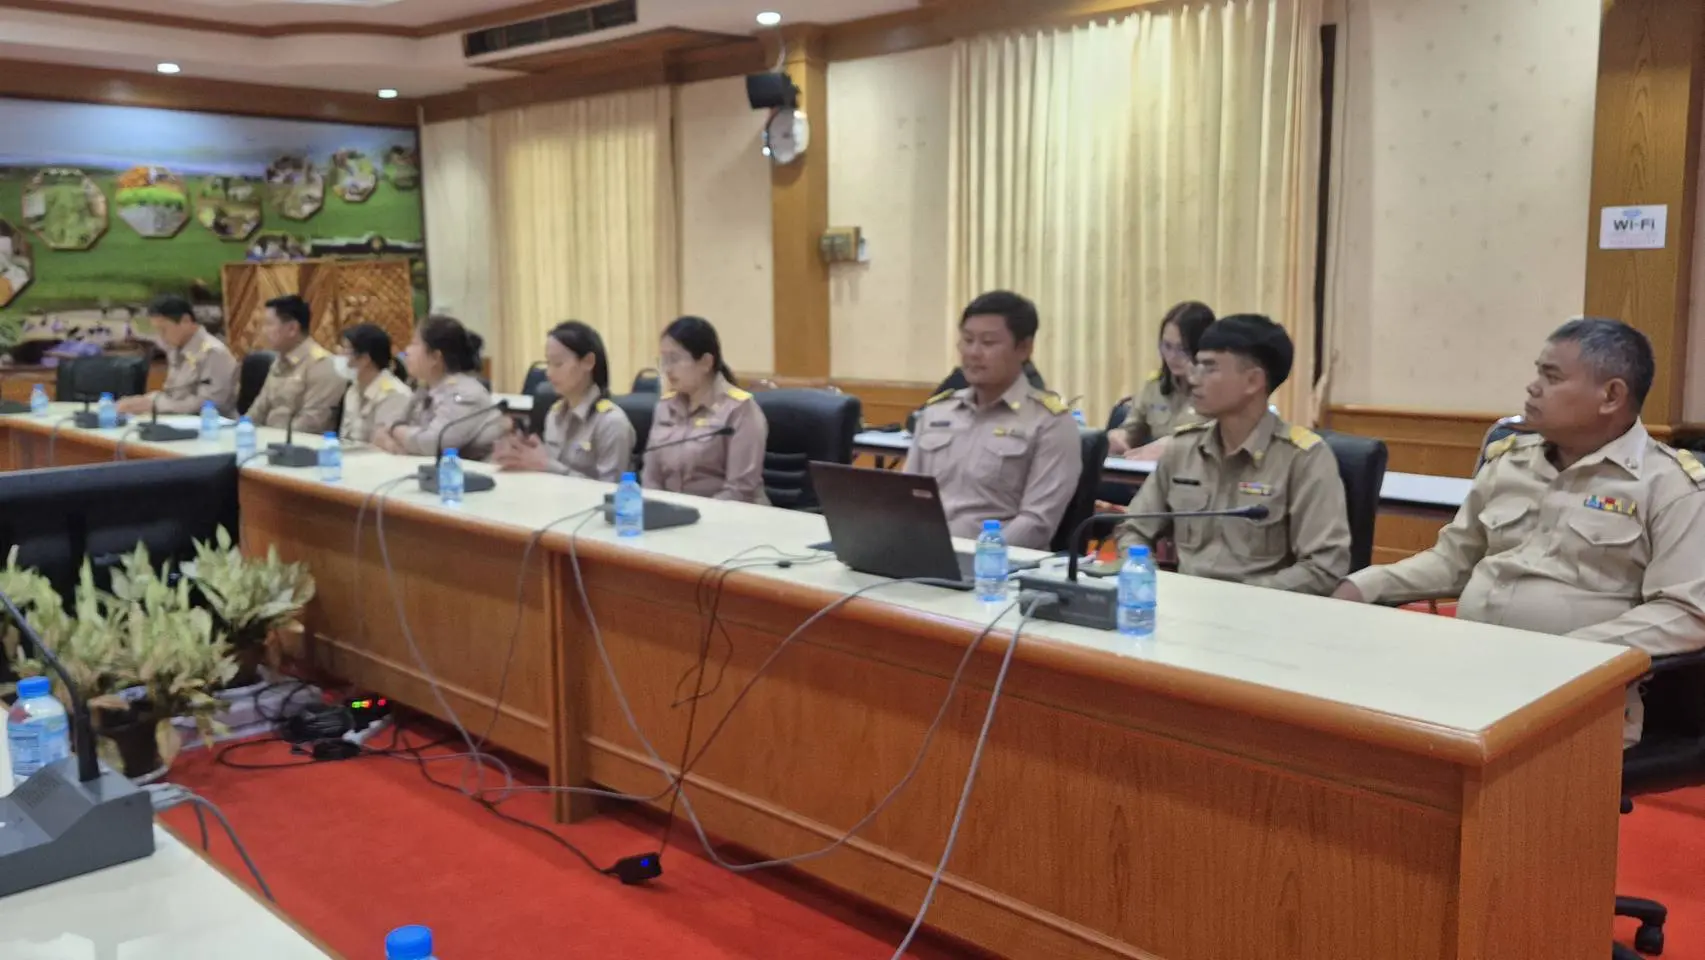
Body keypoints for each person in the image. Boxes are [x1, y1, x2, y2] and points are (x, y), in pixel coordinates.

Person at [1333, 317, 1705, 745]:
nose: (1532, 387)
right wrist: (1364, 585)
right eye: (1537, 373)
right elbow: (1453, 560)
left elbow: (1686, 612)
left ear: (1611, 396)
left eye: (1552, 377)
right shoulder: (1509, 461)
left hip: (1573, 698)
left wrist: (1573, 653)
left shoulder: (1669, 485)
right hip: (1464, 672)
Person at [1117, 314, 1349, 595]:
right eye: (1196, 365)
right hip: (1182, 607)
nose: (1192, 378)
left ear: (1253, 381)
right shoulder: (1182, 449)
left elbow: (1324, 566)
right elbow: (1133, 530)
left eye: (1209, 368)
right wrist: (1150, 583)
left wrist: (1240, 599)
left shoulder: (1303, 459)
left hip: (1264, 611)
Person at [905, 291, 1082, 551]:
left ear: (1024, 348)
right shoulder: (937, 412)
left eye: (988, 343)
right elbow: (908, 497)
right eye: (967, 340)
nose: (973, 353)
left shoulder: (1050, 423)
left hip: (997, 565)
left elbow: (1036, 522)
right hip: (923, 555)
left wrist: (981, 558)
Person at [643, 316, 768, 503]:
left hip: (727, 515)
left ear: (706, 362)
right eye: (664, 360)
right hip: (670, 514)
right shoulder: (664, 407)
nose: (667, 369)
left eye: (674, 359)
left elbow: (740, 490)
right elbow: (651, 478)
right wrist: (656, 509)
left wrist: (692, 515)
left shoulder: (740, 410)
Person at [492, 321, 636, 481]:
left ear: (588, 362)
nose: (549, 373)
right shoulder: (554, 414)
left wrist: (547, 465)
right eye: (548, 363)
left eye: (558, 364)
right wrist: (524, 459)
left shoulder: (611, 423)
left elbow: (611, 490)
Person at [373, 315, 507, 461]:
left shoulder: (466, 393)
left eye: (414, 344)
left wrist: (395, 430)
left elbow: (433, 443)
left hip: (476, 472)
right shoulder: (424, 389)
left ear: (435, 357)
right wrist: (394, 441)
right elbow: (383, 430)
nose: (407, 351)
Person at [1107, 300, 1215, 459]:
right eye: (1167, 346)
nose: (1172, 357)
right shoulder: (1155, 386)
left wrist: (1175, 447)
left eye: (1182, 349)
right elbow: (1132, 429)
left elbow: (1221, 439)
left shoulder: (1220, 392)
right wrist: (1119, 437)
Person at [116, 294, 238, 417]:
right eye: (157, 330)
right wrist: (143, 401)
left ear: (185, 321)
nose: (161, 336)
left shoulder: (213, 352)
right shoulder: (175, 349)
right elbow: (173, 395)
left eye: (164, 329)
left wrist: (154, 405)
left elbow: (209, 404)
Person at [244, 294, 344, 433]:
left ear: (292, 329)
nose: (264, 331)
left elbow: (310, 424)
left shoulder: (323, 365)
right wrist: (242, 430)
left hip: (298, 443)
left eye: (269, 324)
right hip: (268, 439)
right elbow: (258, 410)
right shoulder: (279, 360)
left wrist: (268, 439)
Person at [335, 323, 411, 443]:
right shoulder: (353, 390)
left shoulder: (394, 395)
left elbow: (385, 444)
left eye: (346, 350)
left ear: (365, 359)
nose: (340, 356)